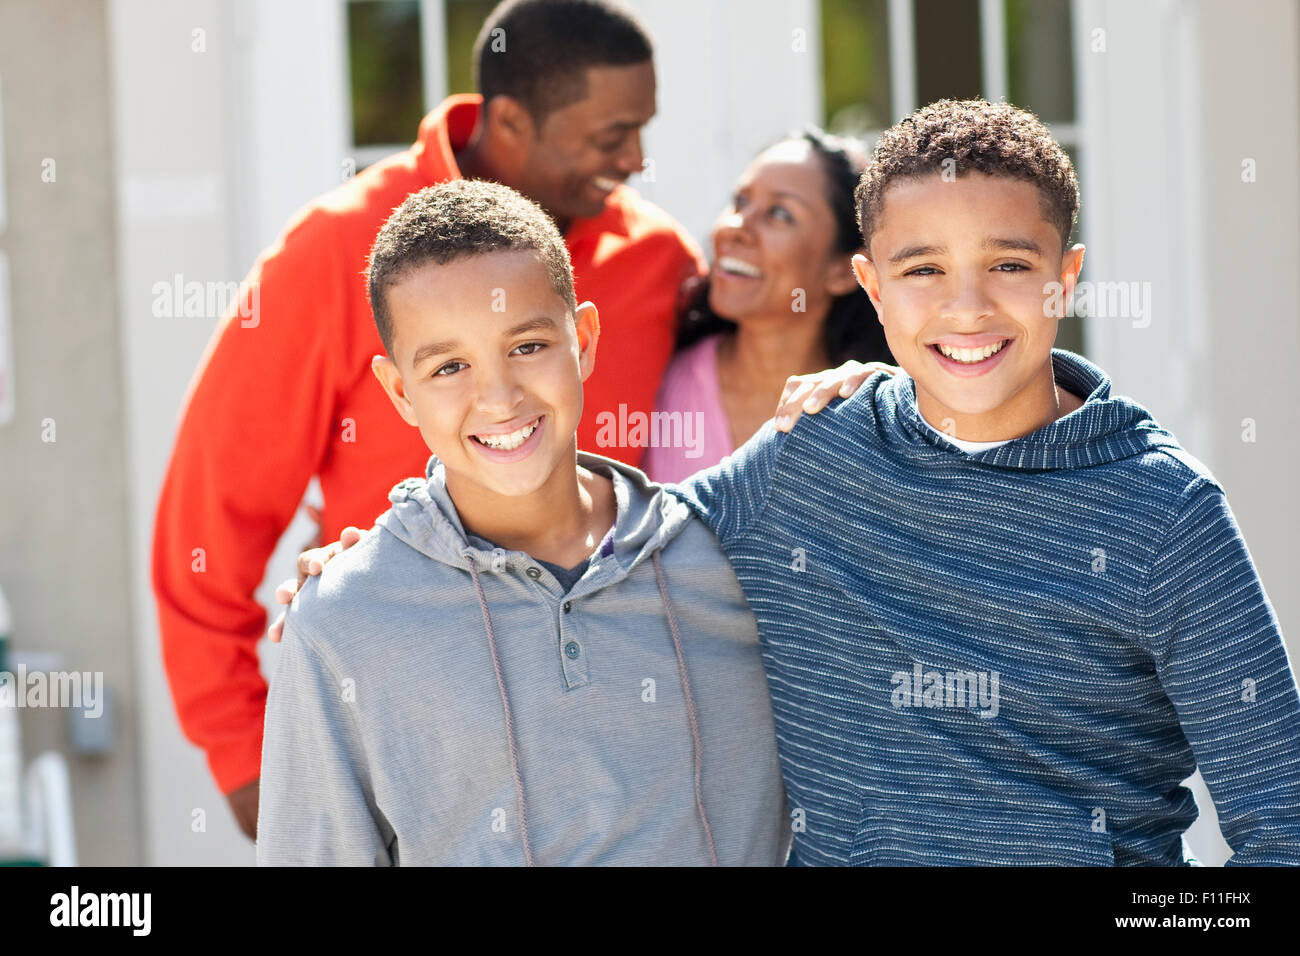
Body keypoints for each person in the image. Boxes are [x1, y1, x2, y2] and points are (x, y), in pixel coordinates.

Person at [672, 98, 1300, 864]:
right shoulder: (810, 458)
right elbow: (600, 547)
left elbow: (1284, 823)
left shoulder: (1165, 513)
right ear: (872, 288)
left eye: (1007, 265)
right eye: (923, 269)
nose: (965, 309)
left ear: (1065, 276)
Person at [152, 0, 705, 840]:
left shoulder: (655, 260)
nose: (635, 160)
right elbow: (207, 523)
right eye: (610, 137)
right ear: (512, 121)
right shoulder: (333, 254)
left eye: (641, 131)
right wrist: (249, 763)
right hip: (407, 752)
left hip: (618, 758)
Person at [257, 179, 795, 865]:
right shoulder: (344, 622)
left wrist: (880, 399)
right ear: (400, 392)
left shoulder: (735, 557)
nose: (499, 398)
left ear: (585, 339)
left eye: (528, 346)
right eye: (450, 366)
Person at [643, 128, 892, 481]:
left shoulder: (878, 407)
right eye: (741, 202)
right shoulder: (657, 382)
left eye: (779, 214)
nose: (733, 227)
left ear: (843, 271)